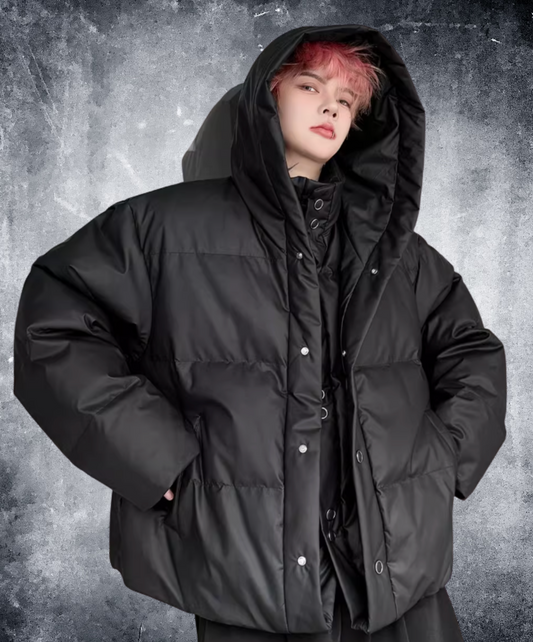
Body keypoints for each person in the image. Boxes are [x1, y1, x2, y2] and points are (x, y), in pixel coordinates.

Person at [13, 24, 507, 642]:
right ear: (266, 96)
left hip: (398, 572)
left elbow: (471, 352)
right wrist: (154, 457)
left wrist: (443, 457)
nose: (331, 107)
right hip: (248, 565)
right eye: (311, 86)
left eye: (347, 100)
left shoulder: (400, 255)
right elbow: (53, 327)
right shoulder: (164, 229)